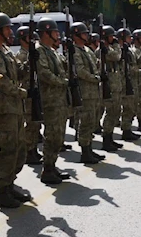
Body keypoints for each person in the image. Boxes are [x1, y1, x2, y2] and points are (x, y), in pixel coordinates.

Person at [0, 13, 30, 207]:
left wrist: (29, 63)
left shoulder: (6, 50)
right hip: (4, 108)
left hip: (14, 107)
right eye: (7, 28)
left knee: (19, 148)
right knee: (8, 149)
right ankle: (3, 190)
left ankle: (10, 184)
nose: (11, 31)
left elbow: (18, 71)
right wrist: (21, 92)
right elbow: (1, 80)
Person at [36, 18, 70, 183]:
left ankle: (52, 165)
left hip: (59, 99)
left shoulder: (52, 51)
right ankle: (47, 169)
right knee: (52, 135)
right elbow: (44, 73)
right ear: (46, 33)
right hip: (50, 100)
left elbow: (64, 69)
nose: (58, 35)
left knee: (59, 135)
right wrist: (62, 82)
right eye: (55, 32)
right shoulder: (40, 50)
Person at [69, 22, 105, 164]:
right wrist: (95, 78)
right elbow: (80, 71)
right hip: (84, 92)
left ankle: (89, 148)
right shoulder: (74, 52)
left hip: (93, 92)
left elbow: (95, 65)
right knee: (85, 122)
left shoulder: (87, 50)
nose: (86, 35)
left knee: (92, 121)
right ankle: (85, 151)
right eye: (84, 33)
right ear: (77, 35)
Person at [14, 26, 42, 165]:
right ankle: (28, 150)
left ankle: (33, 149)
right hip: (26, 91)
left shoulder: (32, 52)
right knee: (30, 123)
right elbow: (20, 72)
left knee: (36, 122)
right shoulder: (20, 54)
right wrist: (29, 61)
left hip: (34, 90)